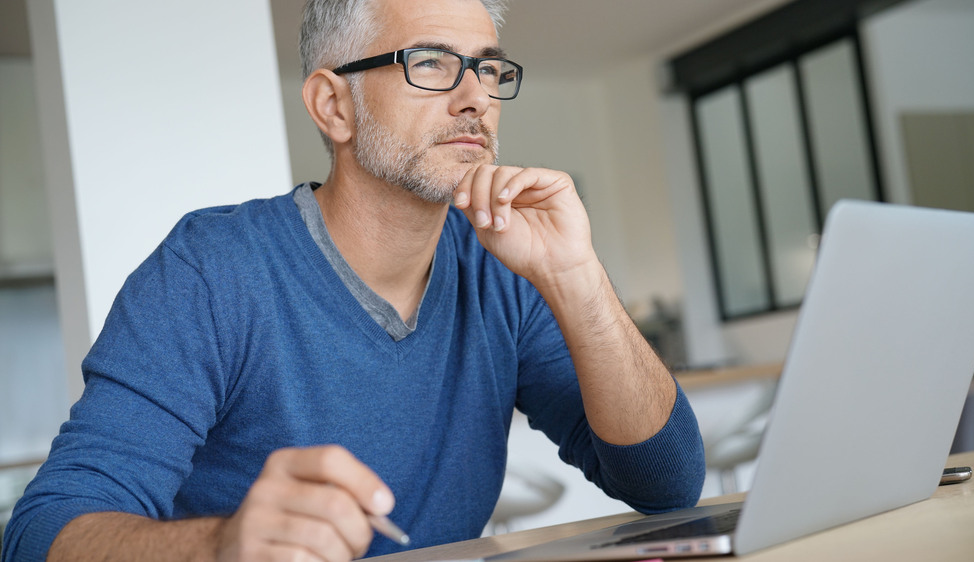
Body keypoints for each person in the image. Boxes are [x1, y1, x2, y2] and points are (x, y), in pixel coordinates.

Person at [1, 0, 705, 560]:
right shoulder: (210, 270)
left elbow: (666, 485)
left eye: (487, 69)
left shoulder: (503, 269)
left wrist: (575, 274)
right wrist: (218, 548)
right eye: (431, 62)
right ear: (333, 107)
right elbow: (40, 535)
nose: (475, 99)